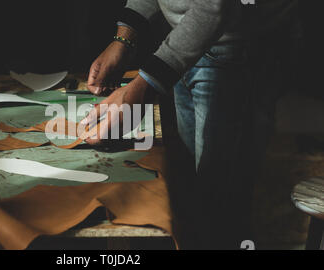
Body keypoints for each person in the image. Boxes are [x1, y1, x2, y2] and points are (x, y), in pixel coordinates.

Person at [80, 0, 301, 249]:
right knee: (195, 194)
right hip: (188, 40)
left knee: (218, 205)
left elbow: (214, 8)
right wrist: (124, 39)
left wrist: (141, 91)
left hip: (239, 51)